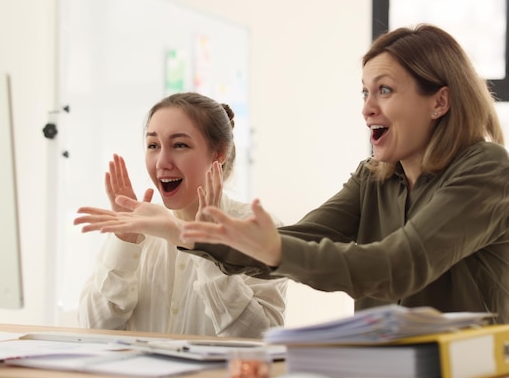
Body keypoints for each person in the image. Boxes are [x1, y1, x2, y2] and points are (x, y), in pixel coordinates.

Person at [73, 24, 509, 323]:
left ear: (439, 102)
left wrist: (268, 247)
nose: (367, 107)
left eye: (385, 90)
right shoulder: (373, 178)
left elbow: (398, 266)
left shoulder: (487, 171)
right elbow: (302, 237)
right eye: (364, 91)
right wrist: (204, 237)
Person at [74, 92, 288, 338]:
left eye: (180, 145)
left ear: (219, 154)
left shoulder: (260, 229)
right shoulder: (139, 226)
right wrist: (125, 237)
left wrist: (206, 250)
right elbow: (93, 330)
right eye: (153, 145)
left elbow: (261, 338)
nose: (162, 162)